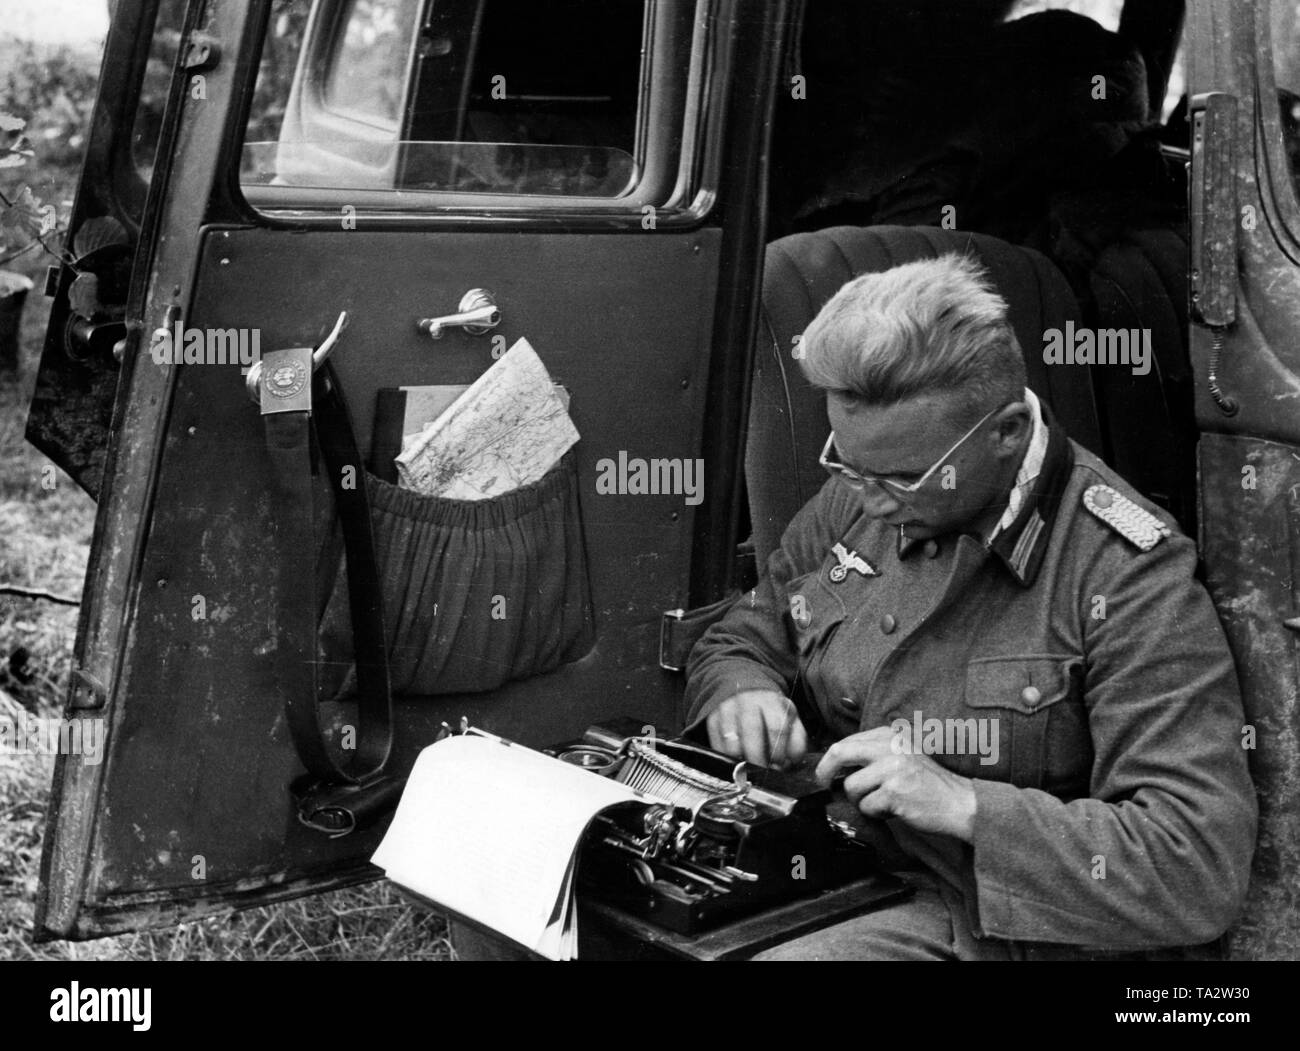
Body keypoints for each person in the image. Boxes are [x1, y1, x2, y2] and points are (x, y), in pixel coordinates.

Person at [683, 255, 1258, 960]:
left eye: (902, 476)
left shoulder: (1126, 572)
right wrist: (740, 688)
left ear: (1008, 432)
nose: (868, 500)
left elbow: (1195, 864)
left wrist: (967, 806)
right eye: (847, 463)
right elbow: (748, 632)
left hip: (1007, 926)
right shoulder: (864, 491)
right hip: (845, 870)